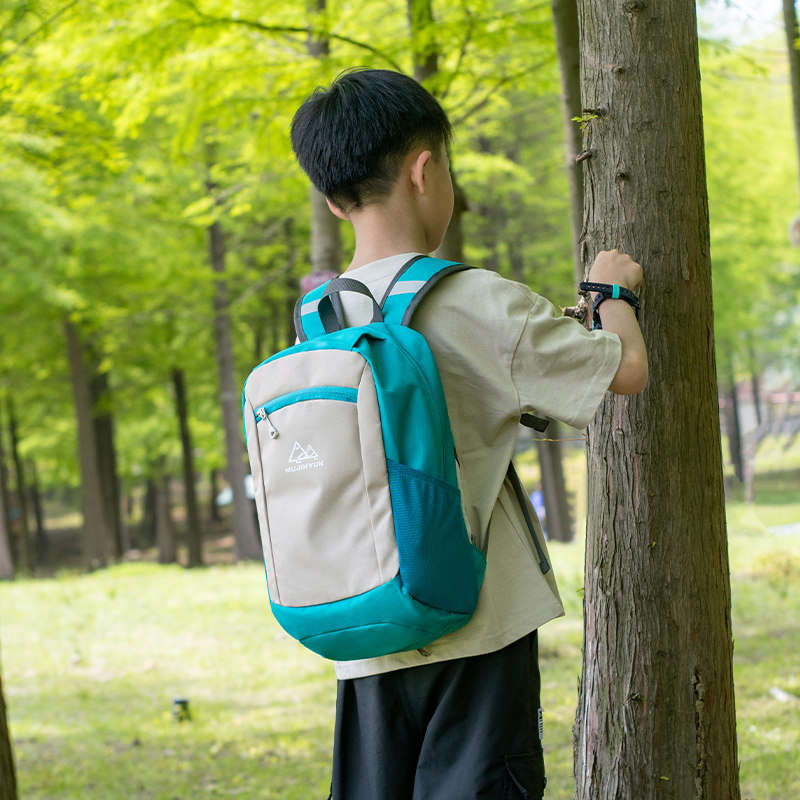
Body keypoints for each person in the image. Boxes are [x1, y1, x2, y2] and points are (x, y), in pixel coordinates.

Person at [290, 68, 647, 800]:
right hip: (474, 623)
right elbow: (627, 370)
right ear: (427, 170)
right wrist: (611, 292)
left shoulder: (315, 323)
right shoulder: (476, 299)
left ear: (333, 197)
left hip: (360, 627)